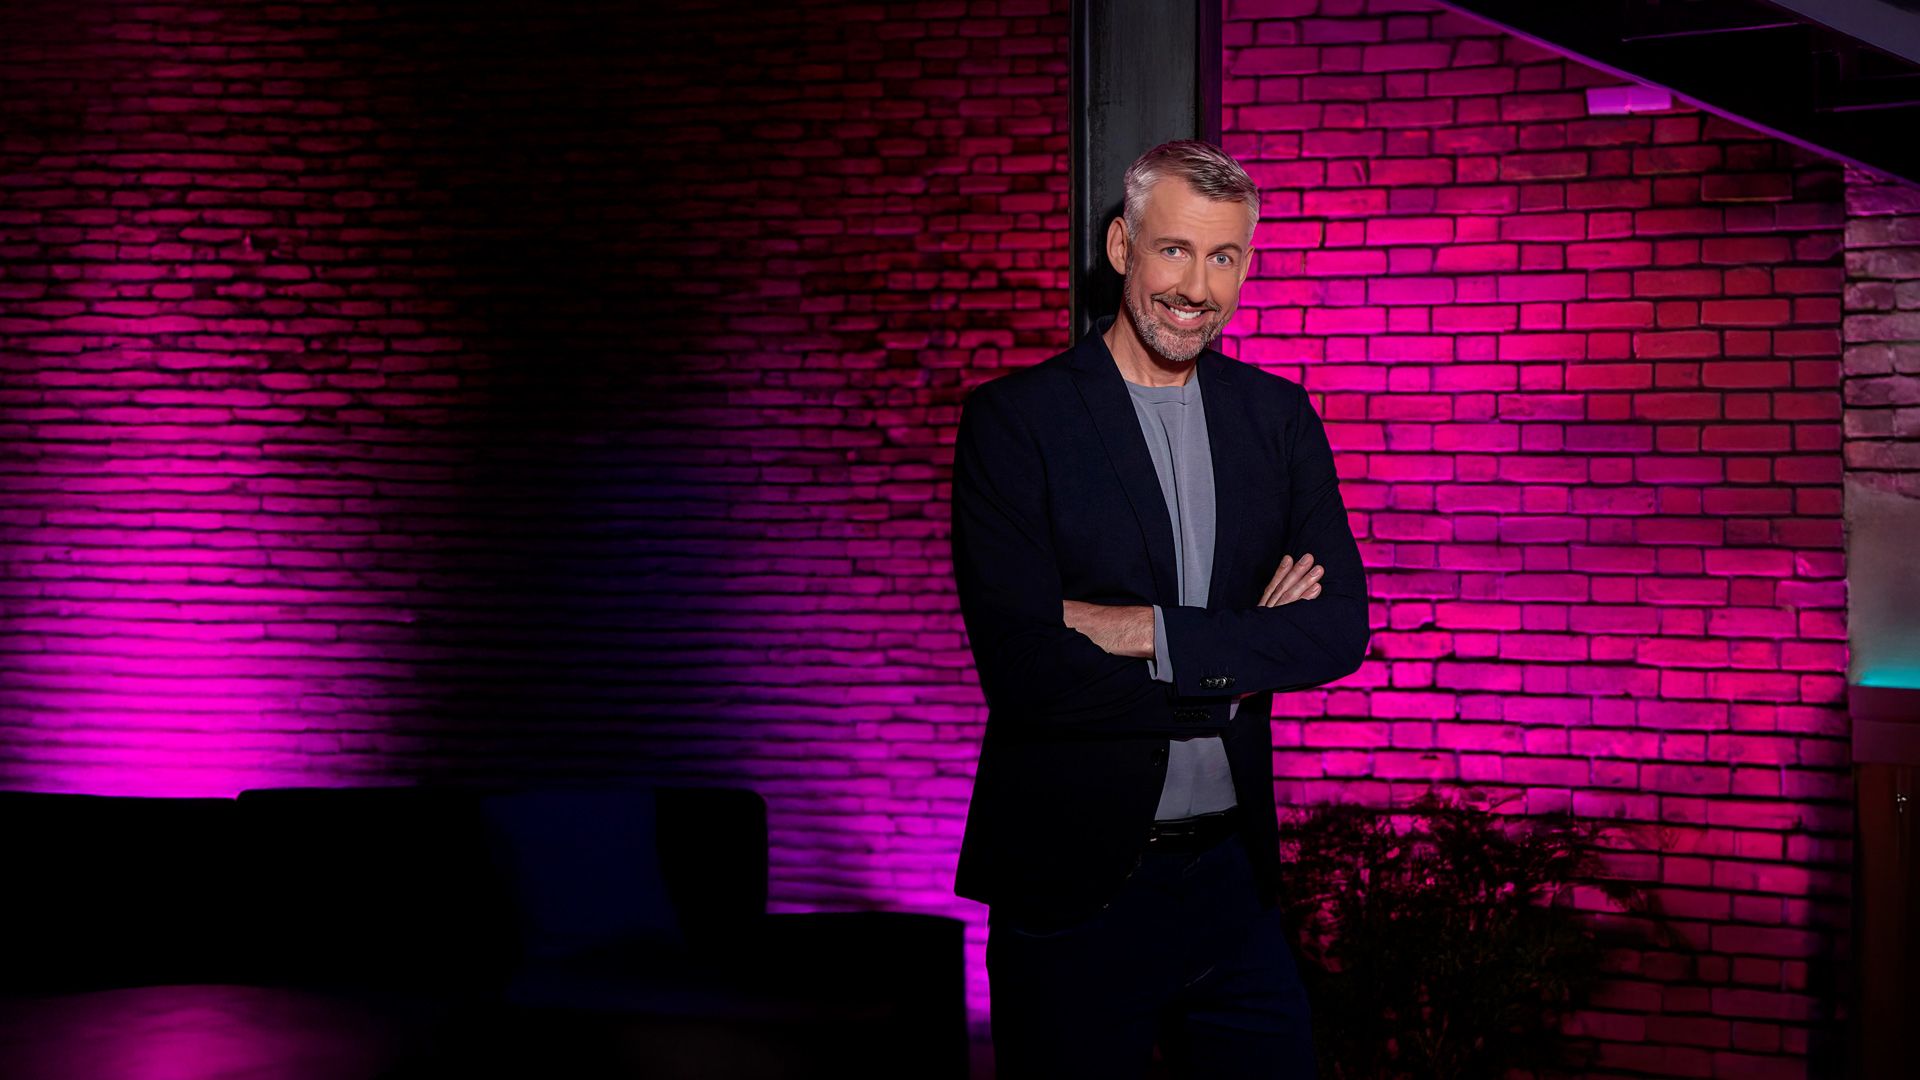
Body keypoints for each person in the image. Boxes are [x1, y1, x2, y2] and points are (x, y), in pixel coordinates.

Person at [948, 140, 1370, 1078]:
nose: (1196, 288)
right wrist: (1238, 663)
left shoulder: (1278, 418)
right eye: (1174, 250)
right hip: (1074, 892)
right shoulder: (1016, 422)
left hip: (1233, 884)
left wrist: (1145, 632)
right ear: (1121, 247)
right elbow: (1027, 675)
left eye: (1223, 257)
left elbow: (1340, 628)